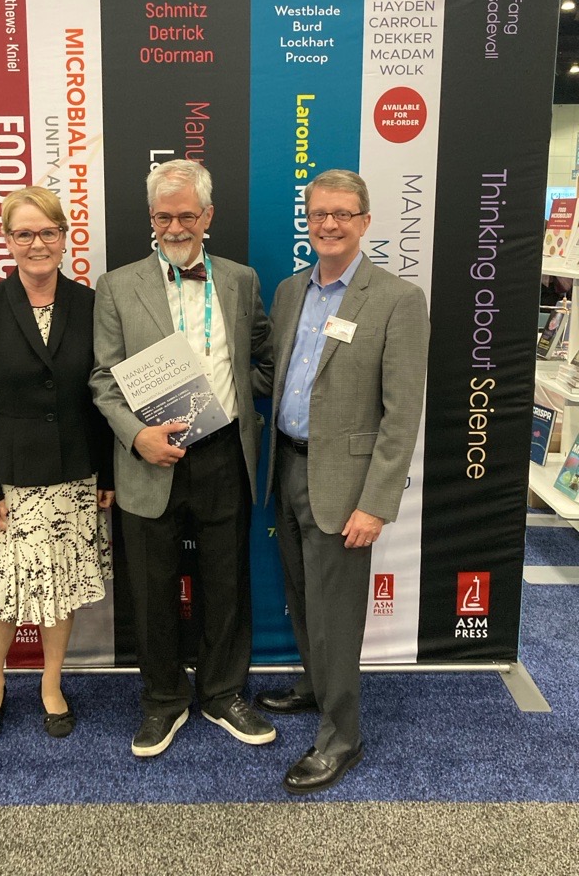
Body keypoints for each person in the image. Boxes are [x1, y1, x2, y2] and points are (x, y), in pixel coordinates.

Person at [90, 159, 275, 757]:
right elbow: (103, 380)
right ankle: (163, 700)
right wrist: (136, 436)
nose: (175, 227)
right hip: (150, 459)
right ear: (151, 218)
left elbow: (266, 359)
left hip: (224, 455)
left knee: (227, 580)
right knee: (151, 588)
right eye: (164, 216)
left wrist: (239, 398)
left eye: (187, 215)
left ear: (208, 215)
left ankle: (223, 693)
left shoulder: (242, 280)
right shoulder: (117, 286)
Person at [254, 169, 429, 794]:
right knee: (303, 598)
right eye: (319, 213)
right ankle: (316, 685)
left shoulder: (397, 300)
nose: (329, 224)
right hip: (287, 467)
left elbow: (401, 414)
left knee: (337, 614)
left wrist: (375, 503)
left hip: (346, 484)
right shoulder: (288, 292)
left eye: (343, 214)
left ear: (365, 221)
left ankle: (341, 738)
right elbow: (273, 377)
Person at [0, 186, 114, 745]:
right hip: (7, 481)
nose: (37, 243)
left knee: (58, 589)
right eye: (24, 233)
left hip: (74, 476)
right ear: (8, 240)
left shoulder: (91, 305)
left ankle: (51, 684)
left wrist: (108, 476)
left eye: (48, 231)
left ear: (65, 237)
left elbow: (104, 396)